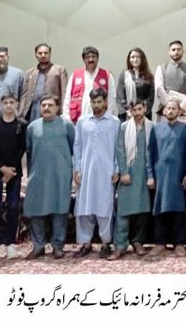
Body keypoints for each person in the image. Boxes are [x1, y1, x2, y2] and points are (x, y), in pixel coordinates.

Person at [23, 96, 74, 260]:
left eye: (50, 105)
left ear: (57, 107)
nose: (46, 108)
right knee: (36, 209)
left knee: (60, 210)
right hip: (38, 175)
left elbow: (74, 148)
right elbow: (29, 150)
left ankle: (58, 246)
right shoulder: (32, 127)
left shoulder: (66, 125)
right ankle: (38, 245)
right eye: (43, 105)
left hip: (60, 174)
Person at [72, 88, 121, 259]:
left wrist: (116, 169)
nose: (96, 105)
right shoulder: (82, 121)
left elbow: (118, 148)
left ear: (105, 102)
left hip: (106, 172)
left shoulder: (114, 122)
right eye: (93, 102)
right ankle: (85, 243)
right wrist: (77, 169)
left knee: (104, 208)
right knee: (84, 208)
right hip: (86, 172)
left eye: (99, 102)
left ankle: (106, 243)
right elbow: (77, 146)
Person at [0, 93, 27, 262]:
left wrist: (11, 171)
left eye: (12, 102)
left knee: (13, 207)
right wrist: (2, 168)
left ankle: (10, 244)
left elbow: (22, 148)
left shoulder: (22, 124)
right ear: (1, 105)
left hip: (15, 172)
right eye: (5, 103)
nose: (9, 105)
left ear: (16, 104)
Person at [111, 100, 155, 260]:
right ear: (130, 111)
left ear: (145, 109)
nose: (137, 112)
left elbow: (153, 152)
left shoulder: (152, 127)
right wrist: (123, 172)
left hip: (144, 175)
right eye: (134, 110)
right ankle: (120, 245)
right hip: (128, 174)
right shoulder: (124, 127)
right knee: (123, 211)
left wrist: (151, 176)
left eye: (139, 109)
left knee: (142, 211)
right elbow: (120, 150)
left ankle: (138, 241)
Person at [149, 100, 186, 258]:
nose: (170, 111)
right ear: (164, 110)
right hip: (160, 175)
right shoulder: (156, 128)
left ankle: (179, 243)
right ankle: (160, 243)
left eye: (174, 108)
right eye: (168, 108)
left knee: (180, 209)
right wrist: (150, 175)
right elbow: (150, 153)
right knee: (160, 209)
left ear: (179, 111)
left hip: (179, 175)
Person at [63, 46, 117, 123]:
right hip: (77, 121)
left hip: (100, 121)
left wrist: (107, 118)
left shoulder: (106, 75)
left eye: (93, 56)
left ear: (97, 58)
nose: (91, 59)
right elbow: (68, 98)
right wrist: (67, 118)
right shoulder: (75, 75)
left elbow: (111, 98)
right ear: (83, 59)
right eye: (87, 57)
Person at [20, 43, 69, 123]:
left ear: (50, 54)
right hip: (33, 111)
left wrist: (64, 112)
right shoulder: (30, 73)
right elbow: (24, 95)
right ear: (36, 55)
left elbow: (64, 93)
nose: (43, 55)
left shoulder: (59, 70)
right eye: (40, 53)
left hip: (52, 110)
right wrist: (20, 113)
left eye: (45, 53)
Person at [154, 40, 186, 126]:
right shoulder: (161, 68)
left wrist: (181, 107)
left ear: (183, 51)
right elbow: (159, 88)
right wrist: (170, 106)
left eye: (178, 49)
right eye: (173, 50)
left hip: (184, 112)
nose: (176, 52)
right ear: (169, 52)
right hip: (166, 113)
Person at [117, 47, 154, 121]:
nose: (135, 59)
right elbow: (120, 97)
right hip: (127, 115)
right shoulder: (124, 75)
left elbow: (150, 98)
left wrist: (141, 110)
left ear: (142, 59)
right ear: (129, 59)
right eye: (132, 57)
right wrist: (128, 111)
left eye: (138, 57)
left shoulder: (148, 76)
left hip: (144, 115)